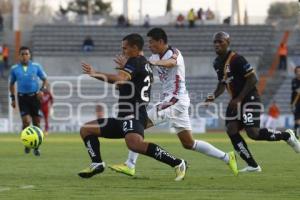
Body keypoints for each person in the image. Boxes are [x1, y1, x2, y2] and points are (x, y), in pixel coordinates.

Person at [110, 28, 238, 177]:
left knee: (139, 123)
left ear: (161, 41)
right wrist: (127, 65)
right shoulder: (153, 56)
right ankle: (227, 157)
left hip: (175, 99)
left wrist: (155, 62)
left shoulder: (174, 52)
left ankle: (130, 165)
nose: (149, 45)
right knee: (188, 143)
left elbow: (171, 63)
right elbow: (141, 60)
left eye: (151, 42)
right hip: (176, 101)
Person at [78, 33, 187, 181]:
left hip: (134, 114)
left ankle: (178, 163)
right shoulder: (143, 63)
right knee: (86, 129)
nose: (123, 52)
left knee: (135, 144)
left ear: (135, 48)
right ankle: (97, 162)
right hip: (124, 115)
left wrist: (95, 73)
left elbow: (120, 80)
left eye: (125, 48)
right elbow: (126, 85)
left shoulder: (135, 61)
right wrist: (124, 73)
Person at [205, 31, 300, 172]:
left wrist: (239, 99)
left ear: (228, 43)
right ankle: (253, 165)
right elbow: (222, 83)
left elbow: (253, 79)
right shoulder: (217, 62)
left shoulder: (237, 59)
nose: (217, 44)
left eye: (220, 41)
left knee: (253, 133)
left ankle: (286, 135)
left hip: (249, 98)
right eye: (215, 42)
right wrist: (213, 96)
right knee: (231, 130)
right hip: (235, 101)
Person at [9, 46, 48, 156]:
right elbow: (11, 84)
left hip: (35, 97)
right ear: (19, 56)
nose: (24, 56)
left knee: (37, 122)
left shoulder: (36, 66)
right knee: (26, 121)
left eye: (26, 54)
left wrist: (42, 90)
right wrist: (12, 98)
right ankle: (27, 143)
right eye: (22, 54)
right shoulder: (15, 68)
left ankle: (36, 146)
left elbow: (45, 79)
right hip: (22, 98)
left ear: (30, 55)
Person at [291, 66, 300, 138]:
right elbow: (297, 91)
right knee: (296, 119)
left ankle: (296, 133)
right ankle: (296, 134)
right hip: (295, 102)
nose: (299, 73)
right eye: (297, 71)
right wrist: (292, 103)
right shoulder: (294, 81)